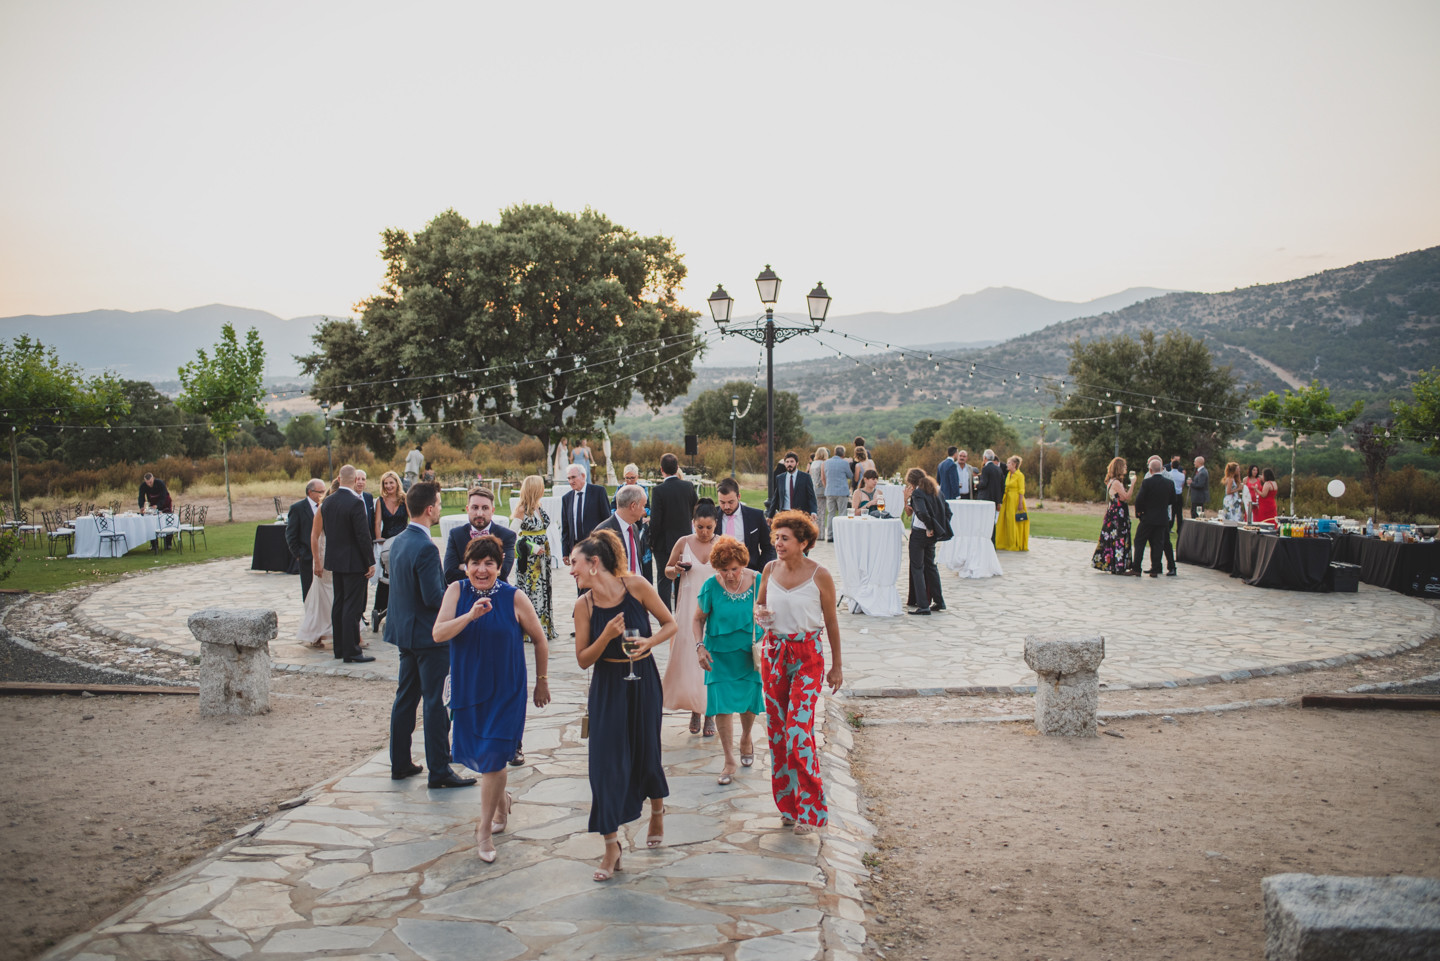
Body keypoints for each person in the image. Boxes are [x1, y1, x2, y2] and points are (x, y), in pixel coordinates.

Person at [434, 535, 552, 861]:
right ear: (466, 566)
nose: (482, 569)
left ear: (500, 567)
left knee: (495, 757)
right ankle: (502, 803)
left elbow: (540, 641)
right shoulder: (456, 591)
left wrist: (542, 682)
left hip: (507, 690)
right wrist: (469, 616)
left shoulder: (515, 597)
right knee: (484, 758)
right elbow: (438, 633)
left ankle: (483, 830)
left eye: (490, 563)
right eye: (476, 563)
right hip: (469, 687)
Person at [572, 529, 676, 882]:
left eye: (575, 563)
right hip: (607, 686)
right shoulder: (582, 606)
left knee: (646, 752)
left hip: (643, 680)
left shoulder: (637, 586)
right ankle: (611, 844)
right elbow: (584, 659)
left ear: (594, 563)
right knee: (604, 765)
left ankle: (658, 809)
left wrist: (648, 641)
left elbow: (670, 624)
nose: (571, 570)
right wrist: (606, 636)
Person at [755, 511, 843, 834]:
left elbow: (831, 622)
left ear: (803, 542)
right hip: (774, 654)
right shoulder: (769, 569)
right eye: (776, 537)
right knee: (778, 732)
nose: (778, 543)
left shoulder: (820, 575)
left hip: (807, 656)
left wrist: (837, 665)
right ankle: (788, 806)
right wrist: (761, 615)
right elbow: (759, 607)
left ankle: (811, 808)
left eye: (785, 538)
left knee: (797, 731)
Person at [385, 481, 473, 788]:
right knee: (436, 701)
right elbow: (433, 597)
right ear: (430, 509)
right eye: (438, 502)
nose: (439, 508)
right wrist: (459, 594)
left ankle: (400, 763)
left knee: (405, 698)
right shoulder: (424, 546)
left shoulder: (399, 541)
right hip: (428, 636)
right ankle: (439, 770)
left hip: (404, 632)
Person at [695, 535, 763, 785]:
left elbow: (772, 610)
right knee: (721, 706)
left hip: (749, 654)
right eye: (724, 570)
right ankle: (728, 759)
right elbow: (697, 619)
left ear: (742, 564)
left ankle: (746, 737)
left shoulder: (758, 581)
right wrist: (699, 647)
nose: (730, 574)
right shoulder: (711, 586)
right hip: (718, 655)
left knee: (747, 703)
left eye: (734, 569)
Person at [663, 500, 720, 737]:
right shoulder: (683, 542)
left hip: (715, 610)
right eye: (700, 527)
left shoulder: (723, 544)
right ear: (693, 524)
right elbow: (666, 570)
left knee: (713, 661)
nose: (704, 532)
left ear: (716, 524)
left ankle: (710, 715)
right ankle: (694, 710)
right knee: (689, 661)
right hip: (688, 608)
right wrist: (675, 569)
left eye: (709, 527)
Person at [318, 465, 376, 662]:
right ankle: (351, 651)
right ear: (353, 480)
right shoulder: (355, 502)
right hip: (354, 561)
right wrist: (370, 561)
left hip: (335, 560)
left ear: (340, 479)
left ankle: (340, 649)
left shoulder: (327, 502)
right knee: (352, 606)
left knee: (339, 604)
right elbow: (362, 535)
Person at [650, 452, 698, 610]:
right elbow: (695, 511)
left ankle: (666, 615)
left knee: (664, 579)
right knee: (681, 579)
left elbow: (655, 521)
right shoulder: (688, 487)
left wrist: (652, 541)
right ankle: (680, 612)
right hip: (685, 541)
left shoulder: (658, 491)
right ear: (677, 468)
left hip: (664, 543)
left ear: (661, 470)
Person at [511, 475, 555, 644]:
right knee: (532, 592)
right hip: (530, 560)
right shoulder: (522, 509)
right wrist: (531, 547)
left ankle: (544, 627)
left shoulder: (539, 506)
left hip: (544, 556)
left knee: (544, 590)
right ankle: (530, 629)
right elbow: (512, 534)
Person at [903, 467, 952, 614]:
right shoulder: (935, 490)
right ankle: (939, 601)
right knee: (931, 567)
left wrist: (930, 527)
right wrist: (938, 528)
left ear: (911, 482)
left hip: (919, 534)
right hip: (931, 536)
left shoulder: (918, 493)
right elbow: (948, 511)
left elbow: (921, 512)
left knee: (917, 568)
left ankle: (923, 605)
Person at [444, 487, 516, 585]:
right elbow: (449, 575)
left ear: (492, 510)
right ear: (467, 509)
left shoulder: (506, 536)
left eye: (485, 508)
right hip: (464, 594)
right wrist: (491, 568)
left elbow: (502, 574)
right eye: (475, 507)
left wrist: (463, 567)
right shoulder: (456, 534)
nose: (480, 513)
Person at [594, 485, 652, 583]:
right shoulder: (603, 532)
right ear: (633, 506)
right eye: (643, 506)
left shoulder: (634, 528)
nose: (644, 512)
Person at [715, 477, 775, 572]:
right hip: (718, 573)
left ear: (739, 497)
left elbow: (768, 547)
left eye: (731, 502)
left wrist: (759, 572)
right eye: (722, 502)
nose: (726, 506)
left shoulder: (756, 516)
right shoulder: (712, 516)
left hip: (749, 572)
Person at [1132, 456, 1176, 577]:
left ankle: (1136, 567)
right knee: (1158, 543)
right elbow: (1173, 500)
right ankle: (1155, 569)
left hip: (1148, 517)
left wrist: (1139, 513)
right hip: (1162, 517)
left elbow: (1139, 499)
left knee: (1139, 541)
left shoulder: (1147, 482)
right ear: (1161, 469)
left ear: (1150, 470)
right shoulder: (1169, 483)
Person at [1091, 457, 1134, 575]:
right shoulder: (1116, 482)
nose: (1126, 468)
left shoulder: (1111, 481)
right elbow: (1125, 497)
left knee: (1113, 538)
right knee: (1119, 537)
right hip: (1118, 515)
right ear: (1119, 468)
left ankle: (1115, 564)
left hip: (1113, 513)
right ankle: (1118, 565)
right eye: (1124, 466)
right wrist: (1133, 484)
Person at [286, 478, 325, 602]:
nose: (322, 494)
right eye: (320, 492)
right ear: (310, 492)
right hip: (307, 556)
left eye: (324, 491)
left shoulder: (326, 506)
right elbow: (291, 534)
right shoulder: (297, 508)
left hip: (324, 555)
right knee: (308, 591)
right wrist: (299, 554)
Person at [561, 464, 609, 564]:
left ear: (583, 476)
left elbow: (607, 520)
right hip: (576, 548)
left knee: (596, 578)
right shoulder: (566, 498)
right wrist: (565, 552)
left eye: (573, 477)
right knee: (580, 578)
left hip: (595, 546)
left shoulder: (598, 492)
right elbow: (565, 527)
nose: (571, 481)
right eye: (569, 478)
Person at [994, 456, 1030, 552]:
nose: (1007, 465)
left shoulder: (1020, 475)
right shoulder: (1009, 474)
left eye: (1009, 463)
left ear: (1014, 464)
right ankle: (1005, 542)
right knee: (1006, 521)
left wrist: (1020, 503)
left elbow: (1021, 490)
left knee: (1014, 521)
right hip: (1007, 500)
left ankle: (1015, 543)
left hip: (1015, 500)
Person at [819, 446, 850, 539]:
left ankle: (829, 535)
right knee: (842, 513)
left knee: (831, 514)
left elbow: (823, 477)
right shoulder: (845, 463)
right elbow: (850, 475)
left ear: (834, 452)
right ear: (843, 454)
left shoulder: (826, 463)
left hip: (829, 491)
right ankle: (840, 535)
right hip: (842, 491)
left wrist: (826, 487)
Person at [976, 449, 1005, 542]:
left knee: (983, 521)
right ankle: (992, 542)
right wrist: (999, 501)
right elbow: (1002, 487)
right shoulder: (998, 469)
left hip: (985, 499)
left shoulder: (985, 468)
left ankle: (984, 541)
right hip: (995, 500)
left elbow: (984, 484)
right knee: (992, 522)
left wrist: (976, 485)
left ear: (984, 458)